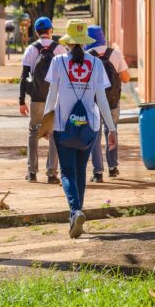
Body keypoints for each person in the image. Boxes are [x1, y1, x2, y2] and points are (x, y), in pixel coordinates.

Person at [44, 20, 117, 238]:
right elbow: (101, 98)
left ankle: (75, 212)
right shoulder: (95, 63)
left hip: (62, 125)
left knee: (67, 172)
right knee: (81, 172)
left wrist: (45, 124)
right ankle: (77, 216)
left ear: (67, 42)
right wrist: (111, 128)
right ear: (85, 42)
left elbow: (51, 95)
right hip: (89, 126)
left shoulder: (58, 62)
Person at [19, 16, 67, 184]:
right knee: (54, 135)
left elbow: (24, 76)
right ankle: (52, 174)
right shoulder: (60, 49)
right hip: (55, 99)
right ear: (50, 30)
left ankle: (31, 172)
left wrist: (21, 101)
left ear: (37, 32)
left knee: (33, 133)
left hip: (37, 98)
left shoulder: (31, 49)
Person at [84, 26, 130, 182]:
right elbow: (125, 78)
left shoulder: (87, 56)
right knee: (112, 131)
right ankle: (113, 167)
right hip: (112, 101)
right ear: (102, 36)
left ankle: (97, 172)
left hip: (93, 102)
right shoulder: (115, 54)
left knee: (95, 136)